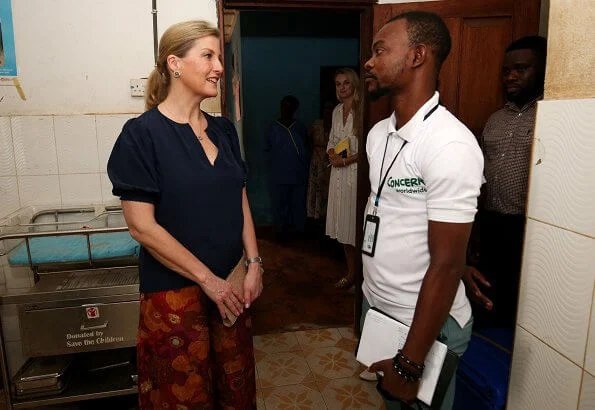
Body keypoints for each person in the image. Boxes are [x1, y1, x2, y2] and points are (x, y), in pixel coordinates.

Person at [107, 20, 262, 409]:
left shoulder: (225, 131)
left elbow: (238, 197)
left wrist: (255, 262)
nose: (219, 67)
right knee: (182, 396)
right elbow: (142, 227)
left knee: (235, 389)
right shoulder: (141, 135)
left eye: (219, 57)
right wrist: (207, 280)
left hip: (232, 284)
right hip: (173, 296)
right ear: (174, 64)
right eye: (207, 56)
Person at [361, 12, 484, 409]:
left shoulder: (450, 144)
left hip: (426, 325)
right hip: (379, 309)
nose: (369, 61)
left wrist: (411, 364)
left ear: (417, 56)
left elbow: (446, 265)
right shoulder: (379, 135)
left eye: (380, 50)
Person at [464, 36, 547, 328]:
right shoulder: (495, 119)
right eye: (506, 70)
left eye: (521, 69)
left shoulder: (550, 118)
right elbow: (480, 177)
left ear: (544, 70)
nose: (511, 76)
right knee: (485, 295)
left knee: (523, 304)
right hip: (490, 223)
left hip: (528, 228)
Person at [325, 68, 361, 289]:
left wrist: (346, 161)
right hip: (338, 173)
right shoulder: (337, 111)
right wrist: (331, 153)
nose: (342, 87)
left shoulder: (362, 109)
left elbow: (366, 148)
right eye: (338, 84)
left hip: (355, 174)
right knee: (343, 230)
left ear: (354, 85)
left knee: (355, 228)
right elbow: (332, 140)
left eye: (346, 83)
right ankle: (351, 273)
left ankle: (362, 277)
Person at [265, 95, 309, 240]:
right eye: (284, 105)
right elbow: (268, 149)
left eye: (290, 107)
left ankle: (298, 233)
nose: (286, 109)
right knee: (279, 205)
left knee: (297, 204)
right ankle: (280, 233)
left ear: (294, 109)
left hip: (298, 173)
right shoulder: (273, 127)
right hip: (279, 173)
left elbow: (307, 147)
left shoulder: (300, 127)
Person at [306, 100, 334, 222]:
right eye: (325, 109)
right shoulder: (317, 124)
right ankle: (316, 218)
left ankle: (328, 218)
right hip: (317, 159)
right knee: (316, 187)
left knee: (328, 189)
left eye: (330, 109)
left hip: (330, 161)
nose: (327, 112)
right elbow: (308, 140)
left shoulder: (336, 125)